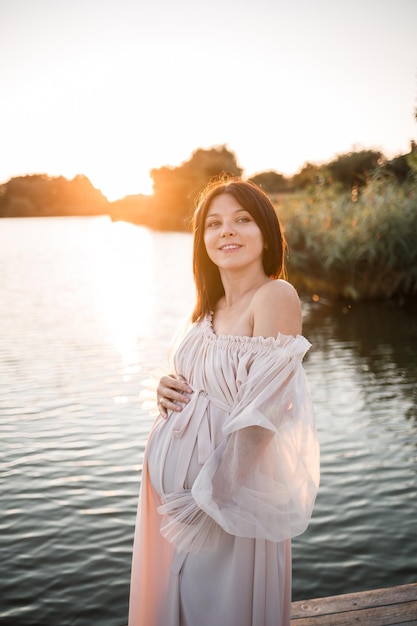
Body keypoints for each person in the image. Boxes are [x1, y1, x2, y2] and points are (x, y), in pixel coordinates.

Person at [128, 178, 320, 626]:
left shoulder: (275, 295)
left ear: (266, 233)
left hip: (226, 498)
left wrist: (211, 499)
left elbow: (266, 411)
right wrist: (164, 387)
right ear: (203, 241)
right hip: (173, 500)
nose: (226, 231)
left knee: (216, 609)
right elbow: (198, 380)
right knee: (174, 605)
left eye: (242, 220)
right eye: (214, 224)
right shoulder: (208, 306)